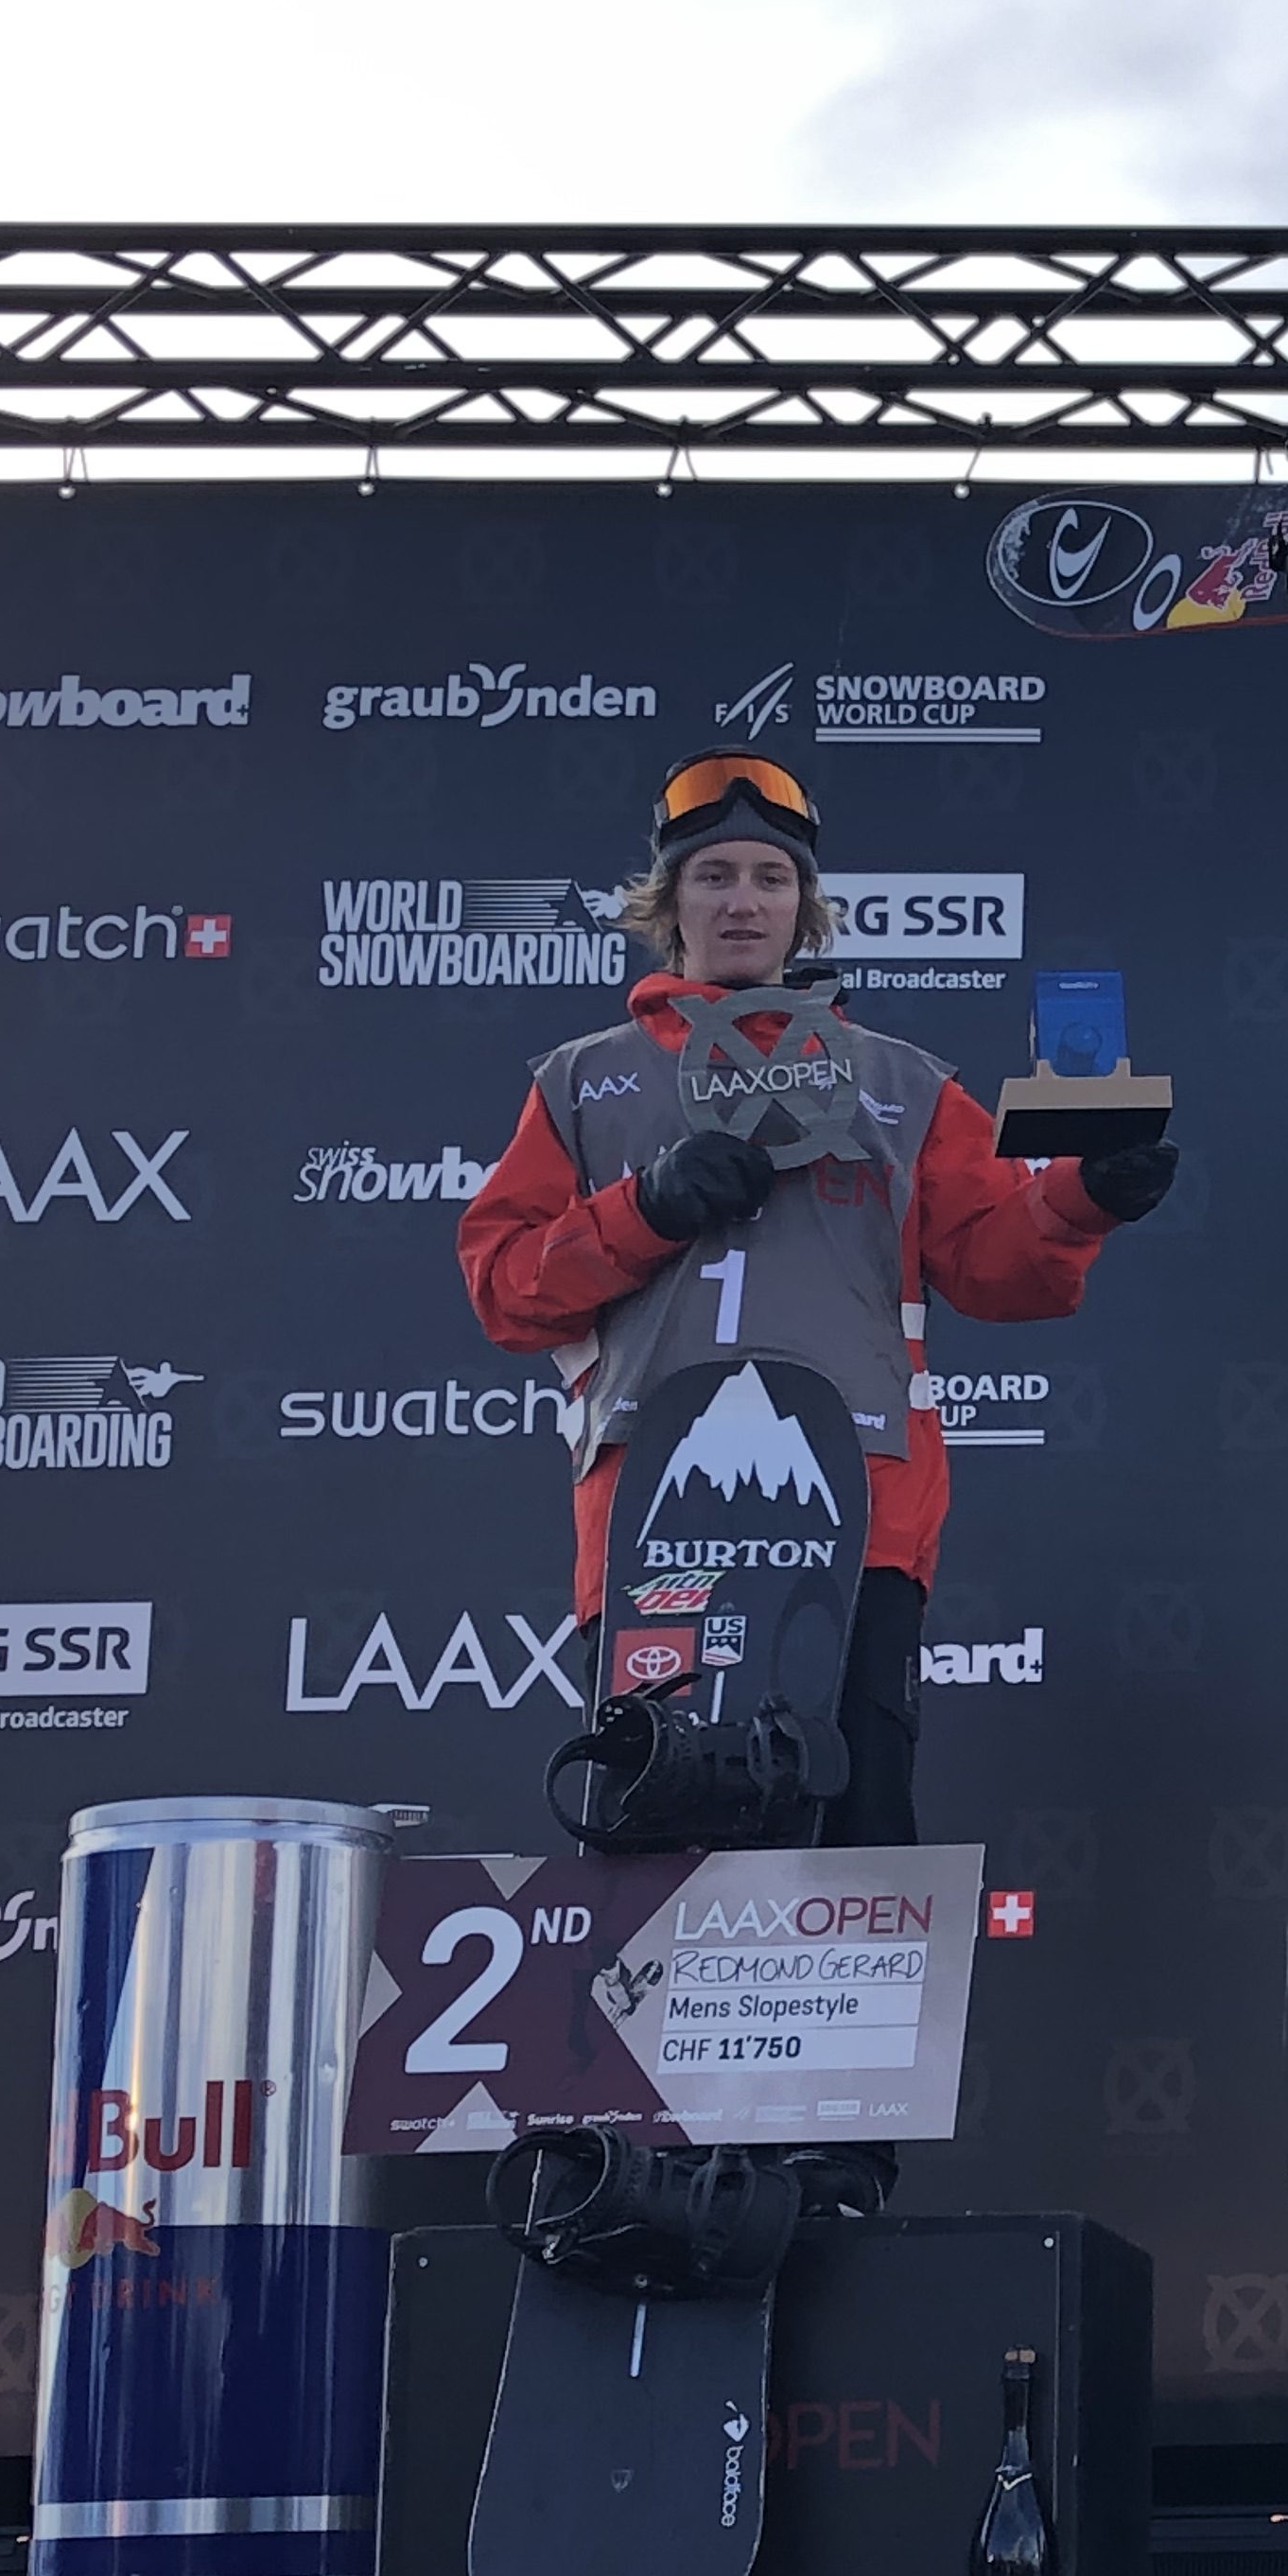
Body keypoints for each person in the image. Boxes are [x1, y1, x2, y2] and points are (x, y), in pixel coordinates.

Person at [461, 747, 1177, 1846]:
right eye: (713, 876)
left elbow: (998, 1264)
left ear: (807, 907)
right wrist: (647, 1206)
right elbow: (507, 1291)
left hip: (860, 1512)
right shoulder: (579, 1080)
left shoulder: (900, 1079)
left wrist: (1085, 1197)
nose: (742, 901)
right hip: (659, 1515)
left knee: (856, 1828)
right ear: (669, 904)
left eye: (770, 877)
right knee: (664, 1842)